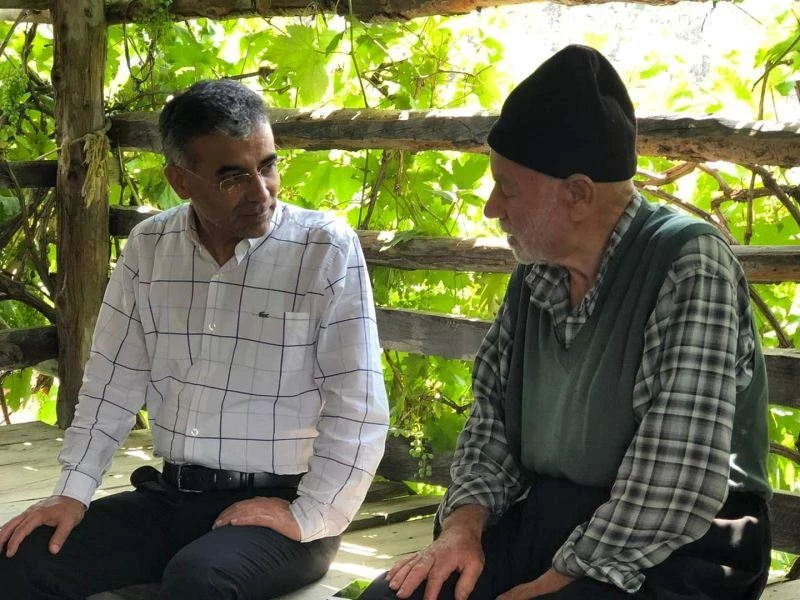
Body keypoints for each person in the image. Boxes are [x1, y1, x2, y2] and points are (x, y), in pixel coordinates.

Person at [360, 44, 771, 600]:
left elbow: (677, 477)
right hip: (554, 516)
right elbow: (491, 425)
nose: (491, 208)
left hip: (685, 542)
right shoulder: (537, 271)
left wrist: (557, 582)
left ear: (577, 194)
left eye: (507, 188)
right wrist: (462, 529)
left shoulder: (688, 264)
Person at [0, 79, 390, 599]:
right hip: (172, 496)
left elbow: (358, 406)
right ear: (180, 180)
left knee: (199, 580)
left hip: (285, 508)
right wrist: (71, 493)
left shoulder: (325, 248)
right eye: (233, 177)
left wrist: (309, 514)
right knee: (18, 557)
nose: (261, 191)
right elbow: (111, 385)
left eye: (268, 166)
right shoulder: (149, 247)